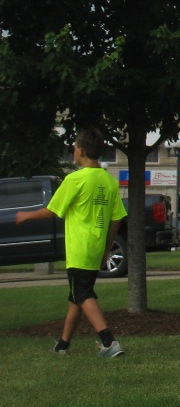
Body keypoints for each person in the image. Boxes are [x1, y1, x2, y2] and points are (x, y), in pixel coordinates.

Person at [16, 128, 127, 357]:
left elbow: (53, 210)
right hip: (96, 248)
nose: (74, 152)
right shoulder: (109, 181)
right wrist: (106, 249)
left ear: (81, 151)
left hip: (79, 249)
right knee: (76, 297)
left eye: (74, 148)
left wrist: (26, 215)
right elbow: (116, 219)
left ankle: (109, 342)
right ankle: (63, 345)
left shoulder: (75, 179)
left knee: (83, 294)